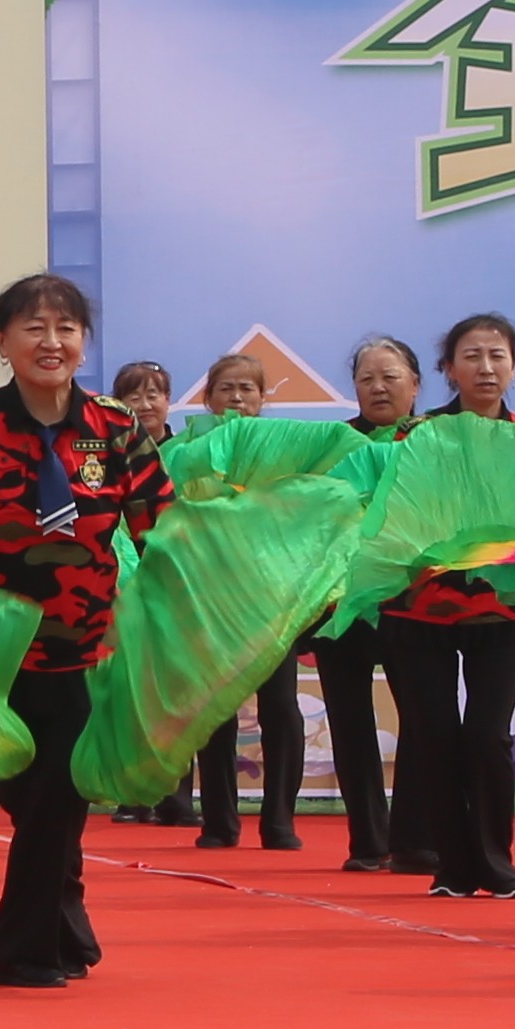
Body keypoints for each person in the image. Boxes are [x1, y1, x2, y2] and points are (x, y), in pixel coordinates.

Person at [0, 273, 167, 987]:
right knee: (30, 803)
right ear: (3, 341)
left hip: (86, 652)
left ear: (84, 341)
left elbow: (162, 531)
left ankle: (15, 950)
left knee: (59, 795)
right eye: (33, 328)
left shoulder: (115, 429)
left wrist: (188, 603)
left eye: (65, 328)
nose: (50, 342)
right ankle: (65, 924)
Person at [381, 311, 515, 904]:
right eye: (471, 356)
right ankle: (452, 865)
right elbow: (392, 513)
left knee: (487, 735)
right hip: (418, 606)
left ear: (514, 368)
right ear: (449, 369)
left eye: (497, 355)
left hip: (505, 608)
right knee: (434, 736)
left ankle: (498, 863)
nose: (486, 367)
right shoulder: (418, 434)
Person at [309, 335, 426, 872]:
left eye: (390, 377)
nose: (378, 388)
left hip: (415, 601)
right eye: (366, 379)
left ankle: (415, 838)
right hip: (343, 603)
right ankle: (367, 841)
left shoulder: (433, 441)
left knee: (423, 718)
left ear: (415, 384)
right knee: (350, 721)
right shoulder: (334, 445)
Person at [185, 351, 309, 852]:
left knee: (280, 706)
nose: (237, 398)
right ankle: (220, 821)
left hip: (271, 597)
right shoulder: (188, 450)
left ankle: (279, 821)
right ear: (208, 398)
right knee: (215, 709)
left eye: (248, 389)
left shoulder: (284, 451)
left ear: (262, 398)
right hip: (209, 598)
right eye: (227, 389)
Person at [98, 361, 192, 826]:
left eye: (154, 394)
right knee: (128, 692)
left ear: (169, 401)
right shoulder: (106, 457)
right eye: (133, 396)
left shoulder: (191, 453)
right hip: (120, 586)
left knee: (174, 694)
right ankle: (131, 792)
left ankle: (177, 796)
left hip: (173, 589)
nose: (145, 404)